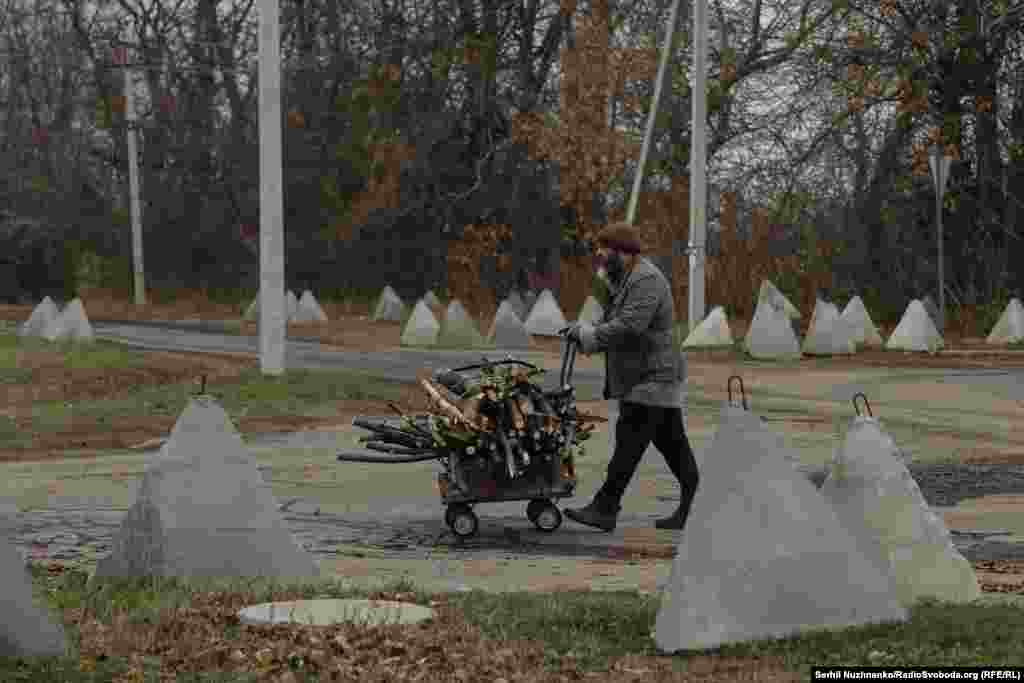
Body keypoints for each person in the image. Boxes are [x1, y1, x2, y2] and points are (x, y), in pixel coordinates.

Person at [560, 221, 699, 532]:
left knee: (629, 441)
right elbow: (614, 321)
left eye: (604, 249)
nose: (599, 255)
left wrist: (590, 336)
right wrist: (584, 332)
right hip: (645, 377)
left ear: (622, 251)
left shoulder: (646, 279)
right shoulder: (623, 279)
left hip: (653, 376)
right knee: (673, 445)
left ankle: (606, 507)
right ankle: (699, 507)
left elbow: (629, 326)